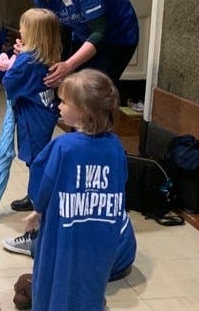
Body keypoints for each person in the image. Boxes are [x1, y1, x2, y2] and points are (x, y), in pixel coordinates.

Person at [26, 69, 136, 311]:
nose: (59, 106)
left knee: (54, 276)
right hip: (103, 232)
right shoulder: (116, 146)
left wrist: (37, 211)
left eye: (64, 102)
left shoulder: (64, 146)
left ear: (83, 111)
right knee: (91, 279)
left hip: (62, 229)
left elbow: (45, 186)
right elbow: (121, 182)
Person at [21, 0, 139, 91]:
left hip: (116, 37)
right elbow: (49, 31)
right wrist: (27, 47)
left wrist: (69, 65)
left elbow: (100, 32)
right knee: (68, 86)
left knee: (93, 91)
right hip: (82, 33)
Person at [0, 9, 60, 234]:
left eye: (23, 27)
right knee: (38, 157)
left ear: (33, 33)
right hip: (46, 112)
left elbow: (10, 82)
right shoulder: (48, 53)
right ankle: (34, 196)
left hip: (32, 116)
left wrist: (16, 60)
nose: (20, 30)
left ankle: (39, 204)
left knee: (35, 160)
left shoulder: (28, 60)